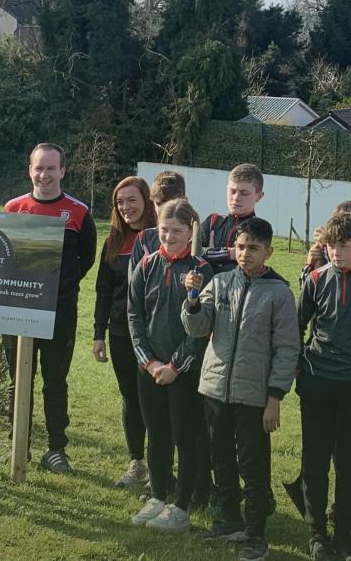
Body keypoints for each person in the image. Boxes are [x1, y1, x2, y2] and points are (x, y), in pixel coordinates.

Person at [183, 216, 300, 561]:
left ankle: (255, 532)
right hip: (215, 388)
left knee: (253, 463)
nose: (245, 253)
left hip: (254, 396)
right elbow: (197, 327)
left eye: (253, 248)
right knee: (221, 458)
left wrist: (275, 396)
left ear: (268, 252)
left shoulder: (279, 294)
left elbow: (287, 349)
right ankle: (230, 517)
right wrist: (191, 300)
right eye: (240, 246)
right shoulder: (219, 284)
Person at [293, 210, 351, 560]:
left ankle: (343, 533)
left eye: (344, 246)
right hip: (317, 383)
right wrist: (301, 365)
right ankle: (316, 534)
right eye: (331, 246)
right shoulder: (315, 279)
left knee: (349, 465)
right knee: (314, 462)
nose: (336, 252)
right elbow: (296, 326)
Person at [3, 143, 98, 475]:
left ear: (63, 171)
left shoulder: (78, 212)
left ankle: (56, 449)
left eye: (51, 168)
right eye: (38, 168)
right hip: (16, 312)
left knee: (55, 381)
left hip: (60, 312)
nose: (44, 175)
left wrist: (58, 290)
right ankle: (20, 445)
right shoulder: (13, 208)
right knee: (19, 380)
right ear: (30, 170)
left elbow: (85, 260)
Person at [127, 198, 212, 533]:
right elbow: (134, 315)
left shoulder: (201, 271)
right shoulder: (146, 265)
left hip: (184, 371)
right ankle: (158, 495)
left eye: (176, 230)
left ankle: (181, 504)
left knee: (184, 435)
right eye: (164, 229)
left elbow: (202, 329)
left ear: (190, 232)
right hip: (149, 368)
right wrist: (148, 362)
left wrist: (175, 366)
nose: (169, 236)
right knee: (157, 433)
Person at [94, 176, 153, 489]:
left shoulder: (159, 236)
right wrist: (98, 333)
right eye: (120, 202)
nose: (126, 207)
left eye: (132, 199)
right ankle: (137, 463)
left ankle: (160, 466)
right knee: (131, 397)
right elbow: (103, 290)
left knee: (154, 399)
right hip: (119, 332)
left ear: (146, 200)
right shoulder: (113, 241)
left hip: (155, 334)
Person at [199, 163, 265, 275]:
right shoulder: (212, 222)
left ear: (259, 196)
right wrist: (228, 253)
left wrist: (209, 256)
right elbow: (190, 253)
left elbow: (247, 270)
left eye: (244, 193)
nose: (236, 198)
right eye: (232, 191)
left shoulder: (259, 230)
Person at [304, 200, 351, 273]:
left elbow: (338, 278)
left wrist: (325, 248)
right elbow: (308, 283)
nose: (339, 230)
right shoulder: (326, 252)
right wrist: (310, 264)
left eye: (347, 225)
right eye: (336, 224)